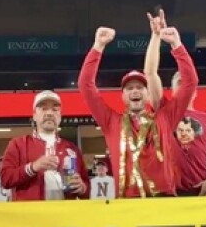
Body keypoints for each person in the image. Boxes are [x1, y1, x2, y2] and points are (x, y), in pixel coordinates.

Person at [78, 20, 198, 198]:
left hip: (164, 201)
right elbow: (85, 85)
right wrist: (98, 46)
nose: (135, 91)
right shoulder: (111, 121)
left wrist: (176, 44)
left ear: (148, 94)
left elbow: (190, 82)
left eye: (140, 88)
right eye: (129, 88)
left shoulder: (165, 117)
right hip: (128, 205)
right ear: (123, 96)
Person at [143, 11, 206, 197]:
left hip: (200, 191)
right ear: (170, 90)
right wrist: (155, 37)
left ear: (194, 91)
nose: (183, 86)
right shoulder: (164, 109)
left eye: (185, 83)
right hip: (168, 192)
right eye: (177, 83)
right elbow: (150, 73)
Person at [0, 90, 88, 200]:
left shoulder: (72, 149)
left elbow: (87, 189)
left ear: (60, 116)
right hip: (30, 215)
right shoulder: (18, 144)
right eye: (43, 108)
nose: (50, 113)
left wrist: (82, 188)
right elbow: (5, 179)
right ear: (34, 115)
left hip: (64, 214)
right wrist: (33, 167)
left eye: (55, 109)